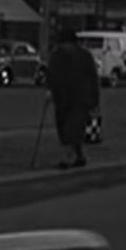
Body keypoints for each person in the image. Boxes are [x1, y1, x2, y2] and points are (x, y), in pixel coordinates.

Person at [46, 28, 100, 169]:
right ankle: (80, 155)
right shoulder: (84, 55)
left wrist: (50, 90)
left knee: (69, 128)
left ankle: (68, 157)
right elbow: (93, 78)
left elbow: (51, 75)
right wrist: (95, 99)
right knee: (74, 127)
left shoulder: (58, 55)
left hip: (67, 97)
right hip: (78, 96)